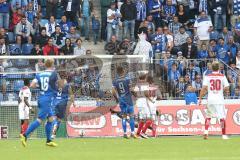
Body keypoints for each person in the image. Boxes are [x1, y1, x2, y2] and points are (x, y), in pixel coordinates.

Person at [20, 59, 59, 147]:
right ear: (52, 64)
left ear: (45, 65)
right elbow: (57, 86)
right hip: (47, 100)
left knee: (51, 119)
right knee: (40, 120)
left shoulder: (39, 74)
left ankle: (48, 140)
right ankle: (24, 135)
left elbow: (32, 85)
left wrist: (41, 86)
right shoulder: (54, 74)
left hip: (41, 98)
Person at [199, 61, 230, 140]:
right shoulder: (222, 76)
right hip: (219, 99)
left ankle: (206, 132)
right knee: (222, 117)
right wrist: (221, 91)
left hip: (210, 99)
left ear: (212, 68)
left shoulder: (208, 76)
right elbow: (227, 87)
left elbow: (204, 88)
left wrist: (200, 98)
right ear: (219, 67)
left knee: (208, 116)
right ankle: (223, 135)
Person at [112, 66, 137, 139]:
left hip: (121, 100)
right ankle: (132, 133)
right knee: (131, 116)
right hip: (128, 100)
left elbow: (113, 91)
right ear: (123, 71)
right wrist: (135, 94)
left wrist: (117, 98)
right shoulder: (127, 79)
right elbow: (131, 89)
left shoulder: (115, 81)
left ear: (117, 72)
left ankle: (125, 133)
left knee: (124, 117)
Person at [134, 73, 153, 139]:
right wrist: (150, 99)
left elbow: (134, 93)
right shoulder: (145, 83)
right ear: (145, 78)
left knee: (142, 119)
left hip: (138, 101)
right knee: (150, 119)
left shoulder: (137, 84)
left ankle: (138, 134)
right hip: (143, 101)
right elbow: (146, 93)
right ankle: (143, 132)